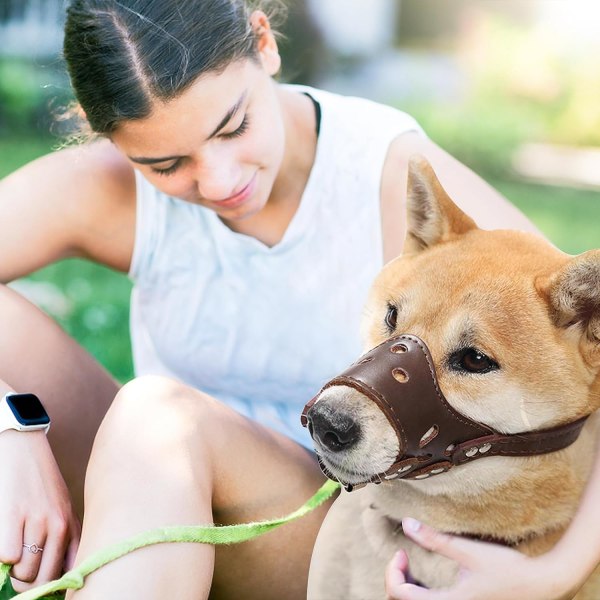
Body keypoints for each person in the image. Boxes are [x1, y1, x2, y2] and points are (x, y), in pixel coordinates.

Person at [0, 0, 596, 598]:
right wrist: (10, 428)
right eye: (167, 163)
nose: (220, 181)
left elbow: (575, 351)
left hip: (344, 522)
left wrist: (554, 573)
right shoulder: (104, 189)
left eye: (233, 127)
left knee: (156, 413)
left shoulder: (383, 172)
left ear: (265, 43)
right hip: (149, 478)